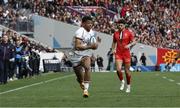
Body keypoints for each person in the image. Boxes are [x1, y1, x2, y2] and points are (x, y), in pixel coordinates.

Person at [70, 16, 101, 98]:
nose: (90, 25)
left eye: (91, 23)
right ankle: (80, 81)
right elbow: (77, 46)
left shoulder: (92, 33)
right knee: (80, 78)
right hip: (75, 55)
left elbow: (94, 46)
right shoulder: (80, 31)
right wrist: (91, 46)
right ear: (83, 24)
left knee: (87, 67)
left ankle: (86, 90)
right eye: (88, 23)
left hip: (85, 53)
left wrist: (96, 44)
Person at [111, 19, 137, 93]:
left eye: (121, 25)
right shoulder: (115, 33)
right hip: (118, 53)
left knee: (127, 72)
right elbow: (114, 42)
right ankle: (122, 81)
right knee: (118, 69)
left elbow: (134, 41)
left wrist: (129, 45)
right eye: (118, 25)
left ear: (124, 25)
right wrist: (113, 49)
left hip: (126, 54)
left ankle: (128, 86)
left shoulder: (129, 33)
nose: (120, 26)